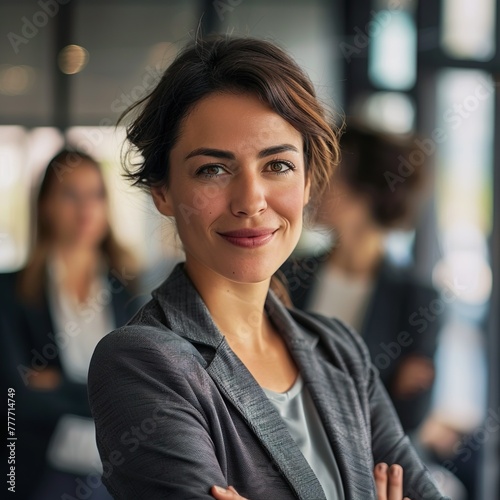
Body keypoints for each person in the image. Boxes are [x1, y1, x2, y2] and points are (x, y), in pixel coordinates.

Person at [87, 36, 448, 500]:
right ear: (162, 190)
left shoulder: (339, 351)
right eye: (212, 170)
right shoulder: (142, 361)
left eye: (277, 165)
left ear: (308, 180)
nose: (251, 201)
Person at [0, 150, 141, 499]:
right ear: (46, 205)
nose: (86, 209)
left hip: (121, 476)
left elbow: (140, 394)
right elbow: (17, 399)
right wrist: (109, 395)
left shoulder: (128, 290)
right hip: (42, 473)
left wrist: (59, 383)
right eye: (70, 194)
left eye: (96, 195)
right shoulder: (10, 292)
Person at [281, 125, 439, 435]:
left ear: (365, 192)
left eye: (330, 174)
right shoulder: (286, 274)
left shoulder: (416, 299)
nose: (312, 185)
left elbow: (409, 416)